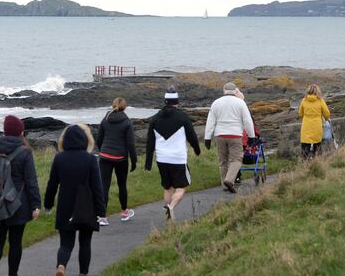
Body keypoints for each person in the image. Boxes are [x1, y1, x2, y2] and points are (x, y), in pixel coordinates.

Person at [0, 115, 41, 276]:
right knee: (15, 243)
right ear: (20, 132)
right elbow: (31, 181)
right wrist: (35, 205)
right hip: (18, 205)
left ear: (5, 131)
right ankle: (13, 274)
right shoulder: (25, 152)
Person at [44, 124, 106, 276]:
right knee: (85, 243)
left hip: (66, 206)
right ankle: (83, 273)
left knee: (65, 244)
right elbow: (98, 188)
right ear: (84, 140)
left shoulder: (59, 159)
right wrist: (101, 211)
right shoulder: (90, 159)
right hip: (86, 207)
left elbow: (52, 184)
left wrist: (48, 204)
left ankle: (61, 266)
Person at [144, 87, 201, 221]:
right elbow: (192, 136)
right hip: (178, 158)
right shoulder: (182, 117)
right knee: (181, 188)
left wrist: (148, 163)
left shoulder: (155, 118)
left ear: (165, 102)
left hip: (161, 158)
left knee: (168, 187)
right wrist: (197, 149)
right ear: (177, 102)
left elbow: (150, 142)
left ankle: (168, 213)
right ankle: (171, 207)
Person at [204, 82, 255, 193]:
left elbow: (210, 121)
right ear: (235, 91)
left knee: (223, 161)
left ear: (224, 91)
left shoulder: (216, 103)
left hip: (220, 135)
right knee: (236, 159)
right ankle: (229, 180)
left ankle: (225, 184)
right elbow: (247, 121)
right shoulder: (240, 103)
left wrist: (207, 138)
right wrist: (251, 136)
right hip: (235, 134)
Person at [95, 97, 138, 226]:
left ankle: (102, 217)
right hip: (120, 158)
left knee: (104, 186)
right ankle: (124, 212)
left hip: (104, 157)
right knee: (122, 185)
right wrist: (134, 160)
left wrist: (103, 150)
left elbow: (99, 139)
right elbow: (130, 144)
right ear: (125, 107)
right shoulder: (126, 122)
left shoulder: (105, 119)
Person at [297, 84, 330, 160]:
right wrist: (326, 118)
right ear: (317, 91)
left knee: (305, 149)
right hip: (317, 127)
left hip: (306, 127)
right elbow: (326, 113)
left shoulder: (304, 100)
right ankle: (317, 164)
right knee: (317, 148)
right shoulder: (320, 100)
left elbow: (300, 113)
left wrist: (306, 117)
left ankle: (305, 166)